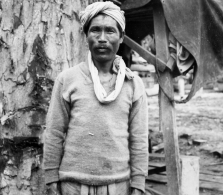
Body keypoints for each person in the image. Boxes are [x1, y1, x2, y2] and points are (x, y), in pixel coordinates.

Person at [43, 2, 148, 195]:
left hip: (118, 185)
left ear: (122, 37)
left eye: (110, 31)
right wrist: (51, 178)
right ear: (86, 36)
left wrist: (138, 184)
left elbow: (139, 139)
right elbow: (54, 132)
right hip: (72, 185)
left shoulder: (133, 84)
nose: (102, 39)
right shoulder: (67, 80)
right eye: (95, 31)